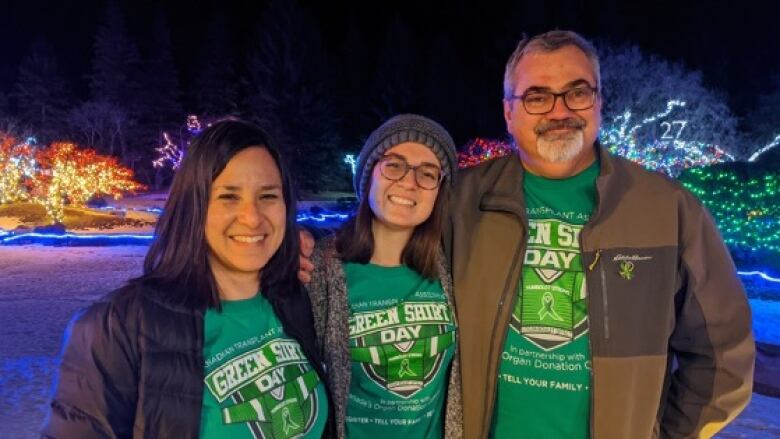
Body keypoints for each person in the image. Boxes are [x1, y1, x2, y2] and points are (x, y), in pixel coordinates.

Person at [444, 30, 755, 438]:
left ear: (599, 100)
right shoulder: (460, 203)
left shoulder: (667, 209)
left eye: (577, 92)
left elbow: (723, 358)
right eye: (537, 96)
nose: (559, 111)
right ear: (508, 111)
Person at [42, 120, 332, 438]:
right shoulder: (116, 327)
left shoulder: (293, 297)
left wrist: (306, 235)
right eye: (228, 197)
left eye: (268, 196)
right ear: (194, 205)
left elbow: (366, 238)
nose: (252, 217)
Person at [307, 114, 462, 438]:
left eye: (428, 173)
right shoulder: (320, 267)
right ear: (369, 176)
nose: (409, 181)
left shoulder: (451, 265)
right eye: (394, 165)